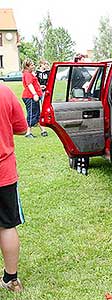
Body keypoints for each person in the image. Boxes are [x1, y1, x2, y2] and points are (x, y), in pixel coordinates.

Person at [0, 84, 28, 292]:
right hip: (3, 172)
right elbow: (22, 127)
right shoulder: (4, 91)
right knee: (7, 226)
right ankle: (11, 280)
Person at [21, 58, 48, 138]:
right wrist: (35, 94)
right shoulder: (27, 74)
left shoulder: (30, 73)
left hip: (33, 96)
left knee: (36, 114)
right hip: (30, 97)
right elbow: (29, 85)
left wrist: (40, 87)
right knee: (32, 114)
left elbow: (34, 84)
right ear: (27, 66)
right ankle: (28, 132)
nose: (33, 66)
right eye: (32, 65)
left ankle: (43, 130)